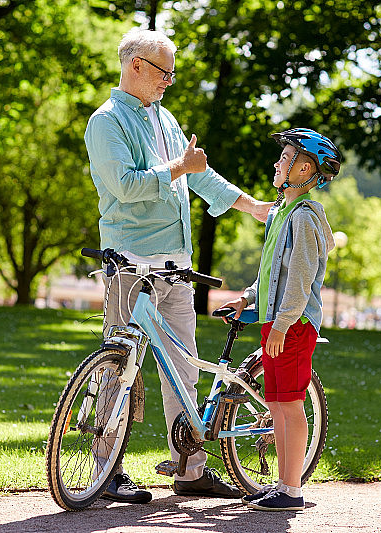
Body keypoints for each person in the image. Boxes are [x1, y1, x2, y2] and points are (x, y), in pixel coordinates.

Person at [84, 28, 272, 504]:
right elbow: (125, 186)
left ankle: (190, 470)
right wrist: (178, 170)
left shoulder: (164, 118)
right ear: (136, 67)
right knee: (119, 367)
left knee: (183, 368)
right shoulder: (106, 123)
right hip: (130, 262)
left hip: (176, 267)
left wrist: (252, 207)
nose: (169, 81)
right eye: (164, 72)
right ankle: (106, 471)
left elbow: (200, 174)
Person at [220, 128, 341, 511]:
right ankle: (283, 486)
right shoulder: (281, 214)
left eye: (284, 158)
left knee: (289, 405)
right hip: (277, 322)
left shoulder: (304, 218)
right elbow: (273, 271)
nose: (276, 163)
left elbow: (301, 277)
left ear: (303, 168)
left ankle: (291, 490)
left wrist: (285, 323)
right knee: (276, 403)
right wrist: (248, 298)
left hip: (294, 324)